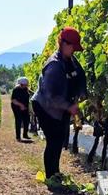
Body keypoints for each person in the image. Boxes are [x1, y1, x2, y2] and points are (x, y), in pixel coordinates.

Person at [31, 27, 88, 185]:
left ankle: (55, 173)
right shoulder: (54, 66)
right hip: (45, 107)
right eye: (73, 47)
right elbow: (50, 95)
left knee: (60, 139)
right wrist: (69, 106)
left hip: (60, 107)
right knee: (54, 140)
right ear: (63, 44)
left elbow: (80, 76)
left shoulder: (70, 60)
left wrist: (81, 94)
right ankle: (51, 177)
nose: (74, 51)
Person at [11, 77, 32, 141]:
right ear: (21, 84)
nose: (26, 86)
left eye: (27, 85)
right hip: (16, 107)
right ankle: (18, 137)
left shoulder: (26, 89)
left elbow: (31, 93)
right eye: (25, 85)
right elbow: (13, 100)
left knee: (27, 119)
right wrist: (21, 105)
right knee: (18, 120)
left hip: (25, 107)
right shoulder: (16, 90)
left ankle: (25, 135)